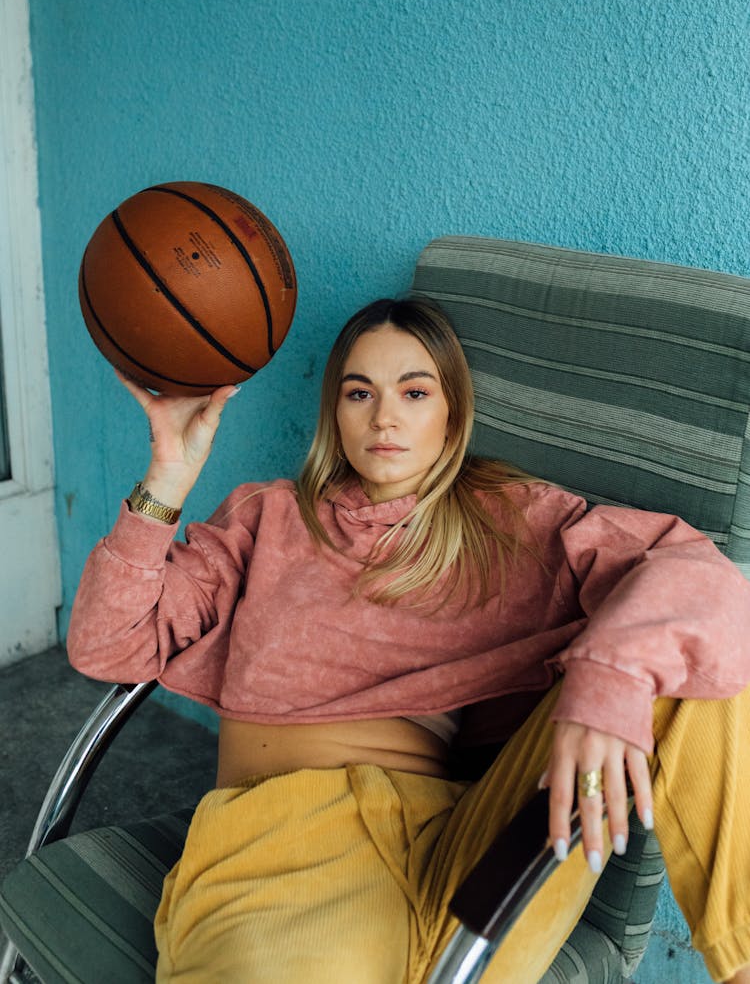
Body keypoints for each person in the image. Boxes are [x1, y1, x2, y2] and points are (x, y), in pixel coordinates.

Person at [67, 297, 750, 984]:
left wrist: (610, 686)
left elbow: (698, 576)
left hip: (469, 856)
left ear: (453, 410)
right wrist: (167, 477)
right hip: (278, 850)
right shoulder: (269, 516)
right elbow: (107, 644)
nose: (383, 417)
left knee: (694, 670)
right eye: (358, 392)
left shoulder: (516, 519)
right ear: (335, 412)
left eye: (414, 392)